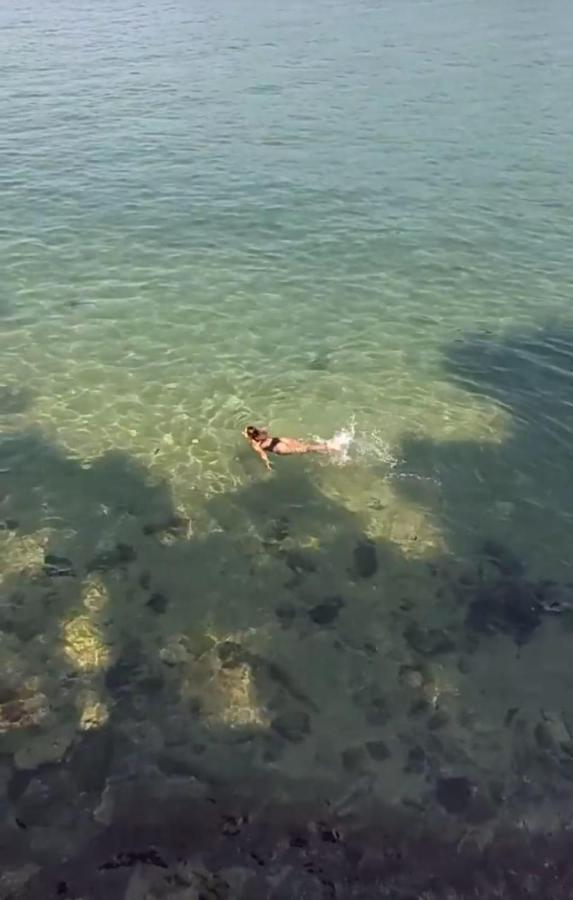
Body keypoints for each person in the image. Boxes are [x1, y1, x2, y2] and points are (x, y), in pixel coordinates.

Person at [243, 425, 330, 471]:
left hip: (279, 448)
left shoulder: (255, 444)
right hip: (280, 440)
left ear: (251, 436)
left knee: (306, 449)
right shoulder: (262, 432)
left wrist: (267, 463)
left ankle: (329, 447)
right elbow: (264, 427)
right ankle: (325, 449)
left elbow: (263, 454)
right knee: (304, 446)